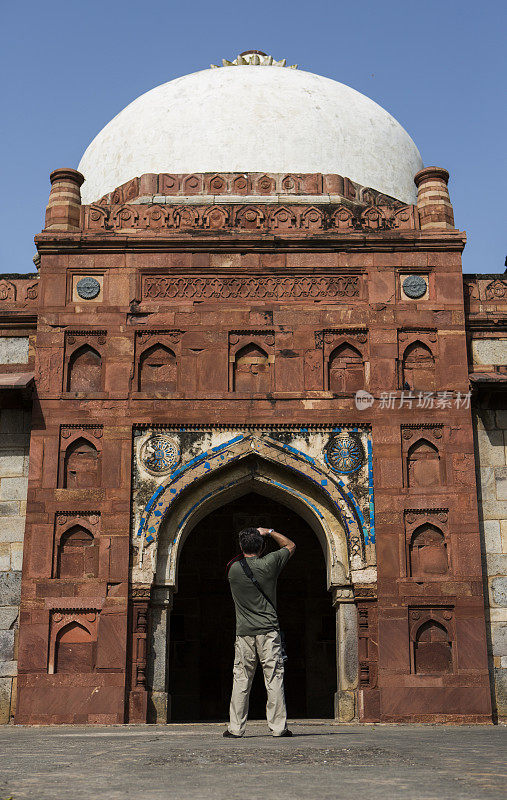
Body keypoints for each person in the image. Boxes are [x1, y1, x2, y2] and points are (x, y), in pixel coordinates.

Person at [224, 526, 296, 738]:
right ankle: (278, 727)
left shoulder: (233, 569)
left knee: (241, 679)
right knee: (273, 678)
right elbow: (290, 545)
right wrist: (270, 531)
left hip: (244, 633)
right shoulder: (269, 564)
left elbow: (239, 558)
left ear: (240, 546)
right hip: (268, 632)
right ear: (263, 547)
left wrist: (249, 539)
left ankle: (236, 728)